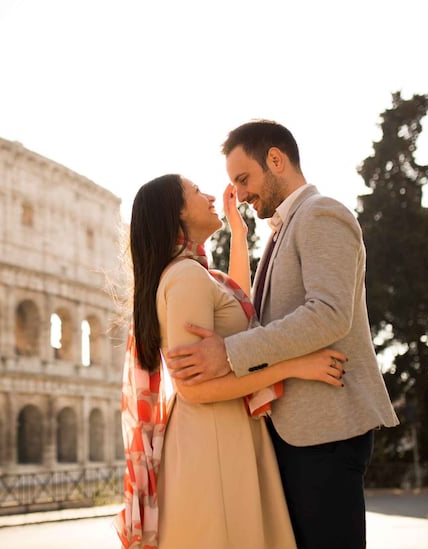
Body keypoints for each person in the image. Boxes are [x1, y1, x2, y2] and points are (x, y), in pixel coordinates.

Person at [165, 120, 400, 549]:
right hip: (299, 430)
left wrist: (229, 354)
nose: (240, 192)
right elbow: (261, 318)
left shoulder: (322, 213)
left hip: (325, 428)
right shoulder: (284, 228)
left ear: (276, 160)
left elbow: (329, 315)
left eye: (243, 179)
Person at [114, 173, 348, 549]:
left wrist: (238, 235)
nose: (209, 195)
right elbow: (194, 388)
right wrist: (294, 365)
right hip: (213, 438)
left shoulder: (195, 276)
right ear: (175, 213)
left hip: (219, 433)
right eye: (195, 191)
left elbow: (238, 308)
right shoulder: (186, 277)